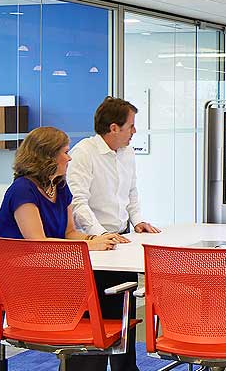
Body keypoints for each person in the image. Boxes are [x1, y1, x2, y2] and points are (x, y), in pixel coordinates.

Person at [67, 97, 159, 371]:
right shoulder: (84, 154)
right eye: (131, 126)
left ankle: (125, 367)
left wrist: (137, 220)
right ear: (113, 127)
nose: (134, 131)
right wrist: (99, 234)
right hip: (94, 242)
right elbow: (78, 202)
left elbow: (131, 192)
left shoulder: (127, 153)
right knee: (98, 315)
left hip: (121, 237)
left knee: (123, 309)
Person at [0, 126, 121, 251]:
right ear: (48, 156)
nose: (69, 158)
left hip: (47, 259)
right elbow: (37, 242)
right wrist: (89, 245)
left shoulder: (60, 186)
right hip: (15, 261)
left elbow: (69, 233)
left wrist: (95, 239)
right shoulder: (22, 190)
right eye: (65, 152)